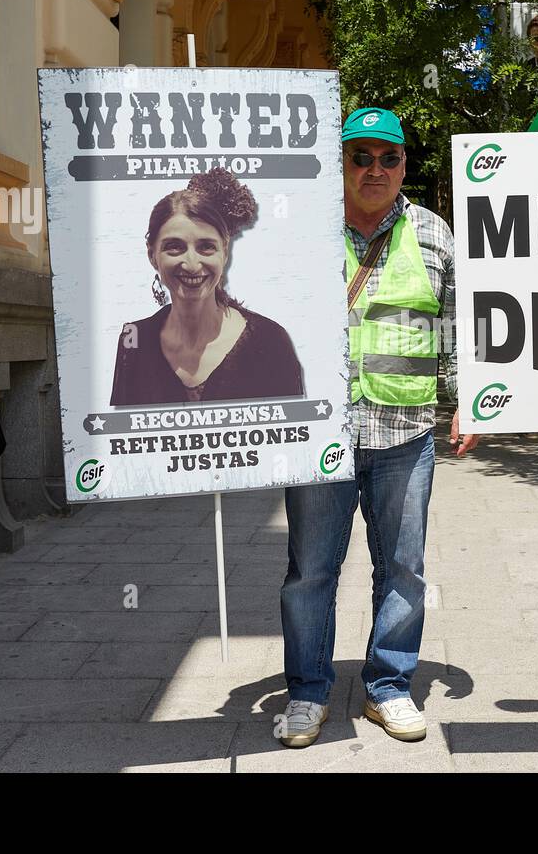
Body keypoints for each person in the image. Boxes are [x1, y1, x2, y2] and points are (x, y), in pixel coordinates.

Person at [277, 108, 479, 748]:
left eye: (387, 158)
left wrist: (464, 401)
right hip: (318, 434)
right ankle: (308, 693)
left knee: (403, 568)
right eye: (359, 156)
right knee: (311, 570)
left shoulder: (434, 235)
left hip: (407, 430)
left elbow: (453, 327)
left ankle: (388, 688)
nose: (374, 169)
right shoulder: (303, 232)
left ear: (403, 166)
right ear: (339, 164)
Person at [110, 168, 304, 406]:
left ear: (225, 251)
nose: (192, 264)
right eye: (174, 247)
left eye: (206, 247)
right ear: (152, 255)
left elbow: (293, 438)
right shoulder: (133, 339)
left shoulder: (270, 341)